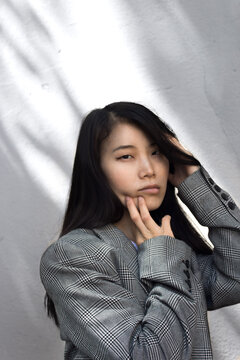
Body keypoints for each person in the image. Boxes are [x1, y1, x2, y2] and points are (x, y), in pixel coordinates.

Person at [40, 101, 240, 360]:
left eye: (157, 153)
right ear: (96, 170)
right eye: (126, 156)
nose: (149, 170)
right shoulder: (72, 257)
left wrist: (194, 180)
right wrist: (164, 261)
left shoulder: (171, 246)